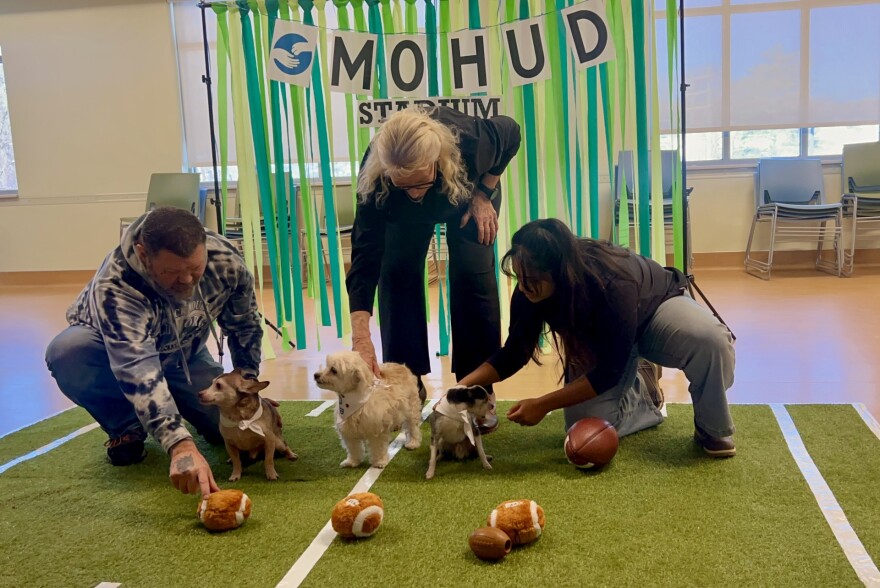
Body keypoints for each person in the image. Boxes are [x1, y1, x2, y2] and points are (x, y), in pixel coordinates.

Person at [456, 218, 737, 457]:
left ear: (560, 272)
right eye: (519, 276)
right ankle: (644, 391)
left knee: (709, 340)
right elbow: (515, 352)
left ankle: (713, 428)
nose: (524, 287)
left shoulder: (613, 281)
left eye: (533, 279)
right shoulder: (529, 288)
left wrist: (542, 404)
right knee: (582, 425)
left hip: (655, 310)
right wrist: (460, 387)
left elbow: (607, 373)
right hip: (602, 340)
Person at [45, 207, 264, 495]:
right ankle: (126, 428)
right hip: (115, 358)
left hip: (185, 357)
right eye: (172, 272)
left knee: (231, 429)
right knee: (67, 351)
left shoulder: (225, 261)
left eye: (195, 269)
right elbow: (137, 367)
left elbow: (244, 326)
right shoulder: (116, 285)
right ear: (144, 253)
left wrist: (249, 391)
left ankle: (174, 407)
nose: (186, 280)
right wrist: (179, 444)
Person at [346, 105, 521, 429]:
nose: (414, 194)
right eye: (404, 184)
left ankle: (476, 387)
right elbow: (365, 255)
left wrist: (484, 192)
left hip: (464, 194)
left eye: (419, 183)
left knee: (473, 272)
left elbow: (511, 132)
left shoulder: (472, 142)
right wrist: (361, 337)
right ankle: (407, 381)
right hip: (401, 215)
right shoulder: (376, 182)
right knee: (395, 272)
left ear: (435, 161)